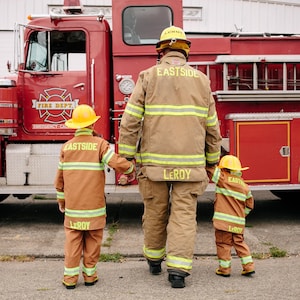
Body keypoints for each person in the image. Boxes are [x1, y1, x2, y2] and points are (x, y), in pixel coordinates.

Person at [118, 26, 222, 288]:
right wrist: (212, 160)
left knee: (155, 211)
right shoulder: (201, 80)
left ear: (160, 50)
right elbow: (212, 125)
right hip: (191, 166)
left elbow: (130, 120)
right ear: (186, 50)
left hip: (154, 165)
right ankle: (178, 272)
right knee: (184, 216)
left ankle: (154, 261)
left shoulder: (148, 76)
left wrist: (126, 158)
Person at [54, 104, 135, 289]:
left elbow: (59, 180)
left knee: (73, 243)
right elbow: (114, 162)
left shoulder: (66, 148)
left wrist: (61, 200)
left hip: (73, 208)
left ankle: (70, 279)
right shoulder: (100, 145)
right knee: (93, 241)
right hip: (94, 209)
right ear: (92, 125)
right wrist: (130, 168)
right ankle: (90, 277)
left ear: (75, 125)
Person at [206, 155, 255, 277]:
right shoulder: (244, 186)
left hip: (223, 223)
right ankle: (248, 267)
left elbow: (211, 170)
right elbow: (250, 204)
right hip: (238, 223)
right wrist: (242, 215)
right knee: (239, 243)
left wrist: (206, 159)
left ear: (225, 169)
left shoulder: (223, 179)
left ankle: (224, 269)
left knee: (223, 244)